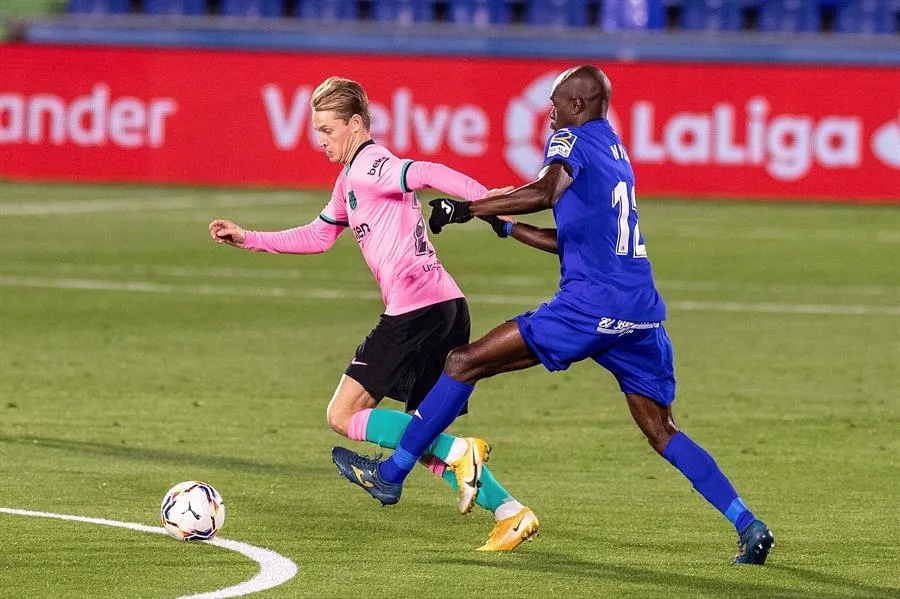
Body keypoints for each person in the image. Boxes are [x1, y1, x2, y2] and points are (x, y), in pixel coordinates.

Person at [332, 66, 775, 565]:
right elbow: (573, 242)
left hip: (589, 310)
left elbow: (546, 191)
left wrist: (470, 208)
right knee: (662, 429)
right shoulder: (615, 149)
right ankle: (748, 523)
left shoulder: (570, 139)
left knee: (461, 363)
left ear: (578, 106)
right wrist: (506, 227)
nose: (549, 115)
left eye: (557, 104)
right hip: (641, 314)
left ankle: (391, 475)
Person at [209, 76, 537, 552]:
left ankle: (461, 451)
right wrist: (249, 237)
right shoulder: (349, 181)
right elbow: (318, 236)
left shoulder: (370, 166)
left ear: (356, 124)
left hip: (416, 314)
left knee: (343, 414)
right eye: (317, 130)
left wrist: (484, 203)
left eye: (326, 129)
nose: (320, 141)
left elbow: (423, 171)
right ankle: (510, 512)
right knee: (418, 438)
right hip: (444, 307)